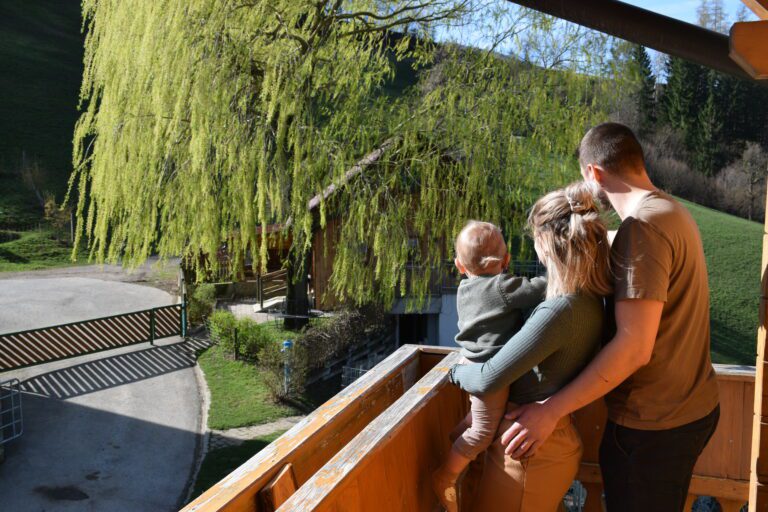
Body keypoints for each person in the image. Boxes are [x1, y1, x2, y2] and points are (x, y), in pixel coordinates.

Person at [500, 122, 720, 511]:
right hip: (690, 411)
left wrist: (549, 411)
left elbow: (634, 347)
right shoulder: (671, 212)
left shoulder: (644, 229)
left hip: (652, 427)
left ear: (594, 173)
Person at [449, 181, 613, 511]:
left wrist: (456, 371)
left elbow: (485, 379)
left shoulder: (558, 311)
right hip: (546, 443)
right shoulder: (590, 298)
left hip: (526, 454)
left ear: (546, 245)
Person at [432, 220, 546, 512]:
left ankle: (455, 439)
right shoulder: (502, 286)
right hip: (489, 370)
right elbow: (537, 290)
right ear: (506, 261)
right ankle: (445, 475)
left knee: (478, 417)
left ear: (459, 265)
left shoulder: (465, 287)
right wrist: (558, 274)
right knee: (482, 434)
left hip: (469, 359)